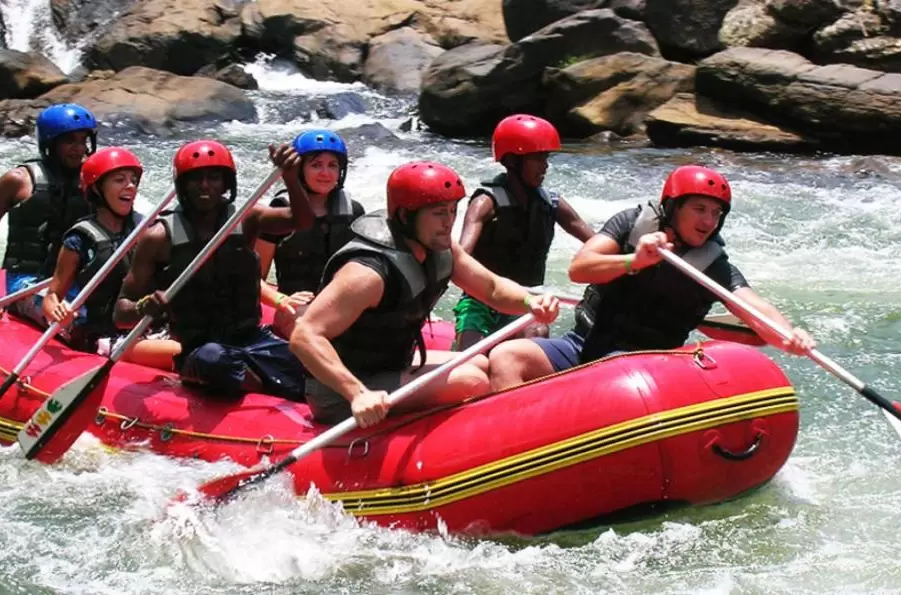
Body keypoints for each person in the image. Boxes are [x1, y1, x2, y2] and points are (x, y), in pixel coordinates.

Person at [488, 165, 817, 391]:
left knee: (611, 372)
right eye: (700, 209)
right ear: (673, 207)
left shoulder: (712, 265)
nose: (709, 221)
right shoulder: (630, 225)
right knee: (508, 356)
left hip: (648, 364)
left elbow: (754, 309)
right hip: (584, 344)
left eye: (716, 213)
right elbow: (579, 268)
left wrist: (790, 336)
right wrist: (635, 261)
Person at [289, 161, 560, 428]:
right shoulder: (368, 273)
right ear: (406, 217)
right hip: (344, 390)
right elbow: (305, 336)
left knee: (480, 362)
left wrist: (529, 301)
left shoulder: (440, 249)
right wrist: (357, 393)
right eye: (439, 213)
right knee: (471, 381)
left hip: (392, 365)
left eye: (453, 211)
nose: (449, 223)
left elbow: (492, 288)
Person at [113, 140, 314, 400]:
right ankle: (260, 385)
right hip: (200, 349)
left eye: (214, 177)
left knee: (307, 360)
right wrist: (144, 307)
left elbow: (302, 220)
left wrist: (290, 177)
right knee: (215, 360)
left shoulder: (246, 219)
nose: (205, 185)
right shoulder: (158, 238)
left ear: (227, 183)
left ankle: (264, 380)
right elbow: (121, 313)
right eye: (196, 179)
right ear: (182, 184)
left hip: (250, 338)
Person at [453, 114, 594, 351]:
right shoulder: (486, 203)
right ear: (512, 161)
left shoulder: (552, 203)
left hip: (528, 299)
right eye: (537, 158)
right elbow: (460, 255)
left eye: (546, 157)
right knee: (470, 354)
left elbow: (597, 242)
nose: (545, 165)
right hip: (480, 299)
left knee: (537, 332)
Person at [40, 147, 180, 370]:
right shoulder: (80, 239)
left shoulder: (149, 228)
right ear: (97, 189)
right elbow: (53, 295)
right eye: (119, 180)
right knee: (183, 353)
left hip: (150, 325)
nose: (130, 185)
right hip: (107, 336)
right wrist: (58, 311)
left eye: (133, 180)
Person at [0, 103, 98, 320]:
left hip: (71, 279)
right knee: (76, 320)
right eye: (69, 141)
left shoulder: (93, 179)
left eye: (82, 140)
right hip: (27, 281)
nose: (79, 148)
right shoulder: (17, 180)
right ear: (51, 143)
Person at [255, 129, 365, 337]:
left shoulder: (354, 211)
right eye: (316, 165)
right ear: (299, 170)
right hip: (296, 307)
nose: (325, 173)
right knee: (313, 326)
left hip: (341, 304)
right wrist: (280, 300)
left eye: (332, 165)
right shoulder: (279, 212)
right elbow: (253, 277)